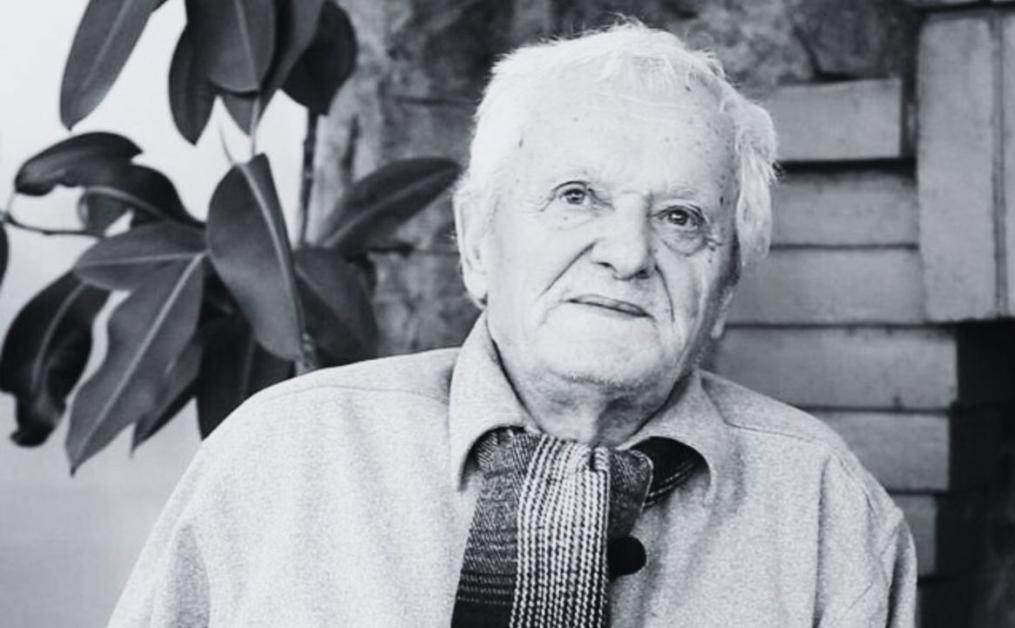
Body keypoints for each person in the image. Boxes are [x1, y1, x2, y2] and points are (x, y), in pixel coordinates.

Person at [109, 22, 916, 627]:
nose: (627, 253)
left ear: (726, 281)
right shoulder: (282, 455)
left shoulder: (826, 510)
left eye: (679, 217)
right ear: (475, 243)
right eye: (576, 197)